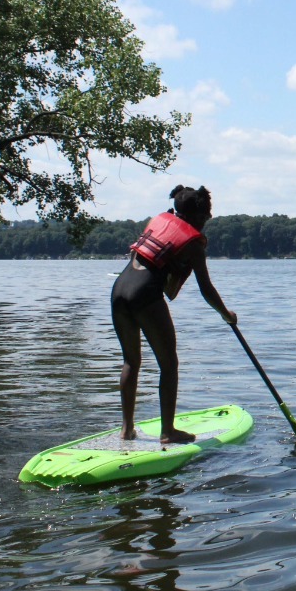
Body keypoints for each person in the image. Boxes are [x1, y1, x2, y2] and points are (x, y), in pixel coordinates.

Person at [111, 185, 236, 444]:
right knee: (169, 365)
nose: (206, 222)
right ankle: (168, 431)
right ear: (198, 216)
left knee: (130, 362)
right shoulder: (193, 245)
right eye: (206, 217)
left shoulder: (157, 221)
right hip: (145, 295)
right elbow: (206, 289)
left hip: (119, 291)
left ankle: (126, 430)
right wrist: (226, 314)